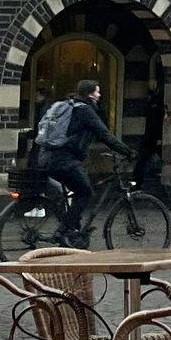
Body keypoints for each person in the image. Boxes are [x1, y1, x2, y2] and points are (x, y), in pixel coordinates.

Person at [32, 77, 115, 245]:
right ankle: (63, 229)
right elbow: (104, 134)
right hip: (63, 160)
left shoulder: (69, 104)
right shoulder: (84, 110)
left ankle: (72, 233)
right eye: (97, 91)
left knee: (78, 190)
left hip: (47, 157)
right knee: (86, 192)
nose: (99, 95)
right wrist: (128, 152)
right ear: (90, 94)